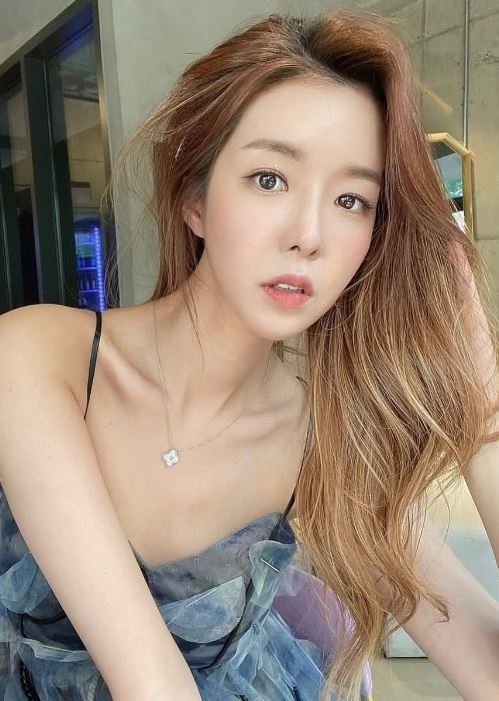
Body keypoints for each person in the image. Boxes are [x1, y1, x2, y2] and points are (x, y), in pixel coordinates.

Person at [1, 8, 499, 701]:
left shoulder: (324, 446)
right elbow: (150, 683)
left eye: (351, 199)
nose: (308, 234)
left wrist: (480, 402)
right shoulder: (34, 358)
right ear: (194, 198)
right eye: (269, 178)